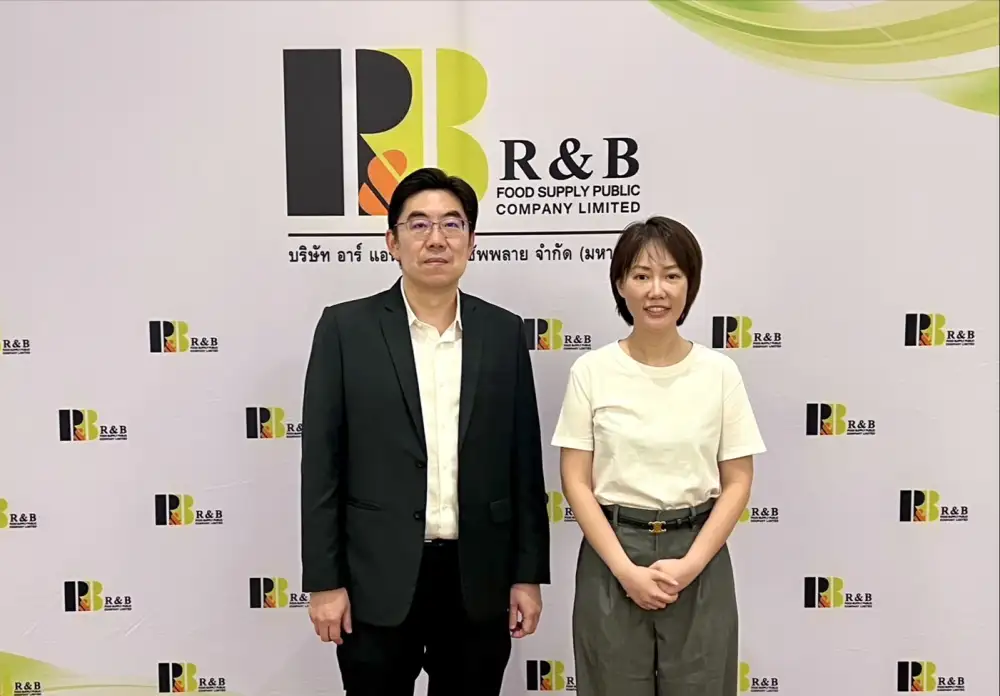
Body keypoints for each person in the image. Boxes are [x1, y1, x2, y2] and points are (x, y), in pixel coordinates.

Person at [299, 167, 550, 696]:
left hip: (477, 579)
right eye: (419, 225)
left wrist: (527, 575)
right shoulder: (345, 329)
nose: (436, 239)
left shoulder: (503, 332)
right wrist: (324, 582)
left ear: (472, 242)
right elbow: (322, 465)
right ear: (392, 241)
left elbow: (524, 464)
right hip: (375, 580)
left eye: (452, 224)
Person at [551, 216, 766, 696]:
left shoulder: (719, 372)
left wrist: (690, 565)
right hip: (613, 554)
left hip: (698, 553)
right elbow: (575, 481)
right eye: (641, 275)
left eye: (671, 275)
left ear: (690, 285)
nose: (657, 290)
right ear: (620, 285)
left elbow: (738, 481)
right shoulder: (592, 371)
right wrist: (625, 571)